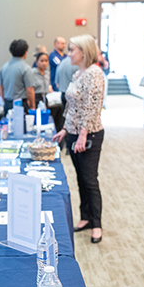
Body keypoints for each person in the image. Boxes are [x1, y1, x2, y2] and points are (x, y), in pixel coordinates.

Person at [53, 35, 105, 244]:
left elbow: (92, 107)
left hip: (89, 135)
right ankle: (85, 217)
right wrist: (66, 128)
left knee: (90, 180)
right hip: (75, 133)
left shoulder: (94, 73)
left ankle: (97, 224)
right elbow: (72, 106)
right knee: (80, 178)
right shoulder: (78, 73)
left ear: (84, 51)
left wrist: (82, 134)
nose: (69, 53)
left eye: (72, 49)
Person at [0, 39, 35, 110]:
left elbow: (1, 88)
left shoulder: (4, 67)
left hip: (7, 102)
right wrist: (32, 106)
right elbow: (30, 90)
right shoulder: (26, 68)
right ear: (25, 52)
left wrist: (5, 101)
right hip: (21, 103)